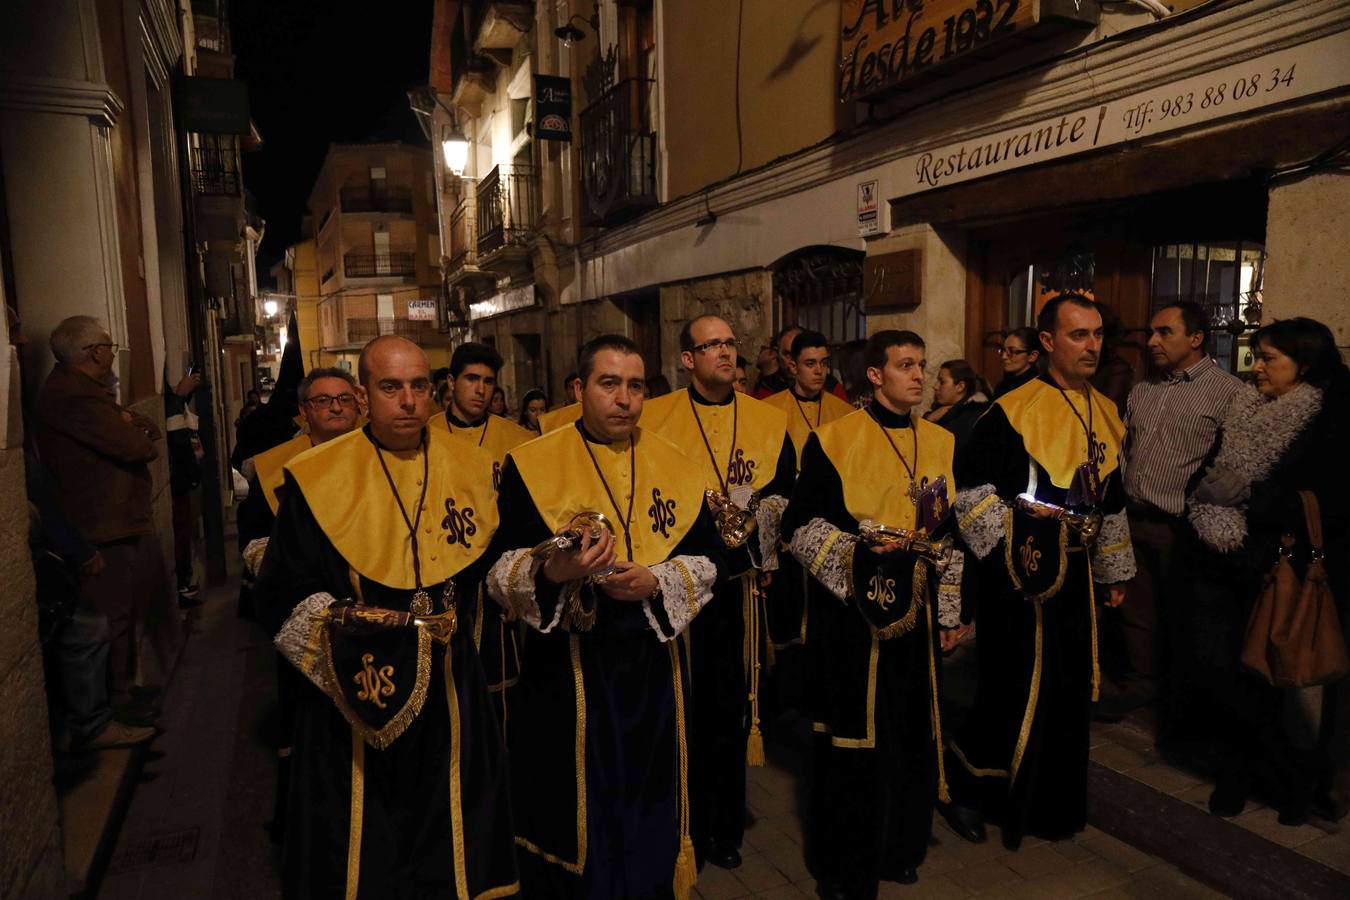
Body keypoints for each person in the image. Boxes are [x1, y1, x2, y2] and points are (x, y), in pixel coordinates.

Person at [256, 336, 518, 898]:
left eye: (419, 386)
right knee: (367, 840)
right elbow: (281, 595)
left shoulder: (472, 470)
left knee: (451, 834)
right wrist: (353, 637)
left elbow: (496, 572)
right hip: (355, 698)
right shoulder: (317, 478)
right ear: (363, 394)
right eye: (390, 387)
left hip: (453, 691)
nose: (408, 401)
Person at [487, 334, 744, 898]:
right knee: (577, 813)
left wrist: (658, 579)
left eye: (635, 386)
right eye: (609, 383)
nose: (624, 399)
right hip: (568, 674)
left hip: (655, 671)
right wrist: (554, 572)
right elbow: (498, 571)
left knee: (650, 804)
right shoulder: (532, 465)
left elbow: (713, 561)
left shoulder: (678, 464)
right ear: (579, 389)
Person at [946, 295, 1135, 850]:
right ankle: (969, 792)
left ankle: (1048, 805)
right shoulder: (1013, 409)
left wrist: (1112, 569)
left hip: (1076, 577)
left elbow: (1112, 498)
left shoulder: (1105, 408)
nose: (1092, 346)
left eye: (1098, 334)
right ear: (1048, 342)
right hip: (1019, 574)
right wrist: (1019, 541)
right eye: (1079, 335)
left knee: (1067, 691)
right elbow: (972, 494)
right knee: (1010, 688)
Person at [783, 330, 966, 897]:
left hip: (918, 606)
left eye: (922, 365)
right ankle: (844, 866)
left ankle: (899, 846)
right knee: (857, 741)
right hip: (854, 618)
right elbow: (799, 527)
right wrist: (859, 555)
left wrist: (951, 611)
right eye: (905, 365)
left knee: (910, 734)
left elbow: (949, 528)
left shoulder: (939, 439)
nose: (917, 375)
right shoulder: (835, 439)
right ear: (874, 375)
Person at [641, 315, 795, 870]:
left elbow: (784, 493)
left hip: (738, 586)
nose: (725, 353)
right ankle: (679, 818)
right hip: (675, 587)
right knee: (681, 707)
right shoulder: (655, 419)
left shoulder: (766, 419)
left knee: (729, 710)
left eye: (731, 344)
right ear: (688, 359)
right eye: (712, 345)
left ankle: (723, 827)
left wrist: (758, 523)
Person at [1186, 317, 1350, 825]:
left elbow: (1332, 502)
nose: (1255, 368)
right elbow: (1212, 467)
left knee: (1280, 683)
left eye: (1268, 359)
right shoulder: (1245, 407)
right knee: (1229, 677)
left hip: (1282, 571)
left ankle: (1294, 785)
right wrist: (1208, 487)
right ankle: (1239, 774)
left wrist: (1252, 496)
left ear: (1304, 365)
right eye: (1255, 356)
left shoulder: (1329, 417)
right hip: (1223, 564)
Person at [237, 366, 361, 842]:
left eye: (344, 400)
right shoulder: (274, 468)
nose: (335, 408)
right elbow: (253, 540)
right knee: (313, 719)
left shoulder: (376, 458)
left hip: (365, 605)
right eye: (324, 401)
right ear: (304, 412)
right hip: (307, 607)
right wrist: (292, 558)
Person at [38, 316, 179, 725]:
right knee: (112, 617)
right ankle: (118, 704)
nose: (111, 353)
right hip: (102, 524)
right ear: (93, 353)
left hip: (112, 520)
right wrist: (130, 428)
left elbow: (142, 428)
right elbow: (138, 446)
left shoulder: (85, 391)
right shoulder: (74, 397)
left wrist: (131, 424)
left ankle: (124, 694)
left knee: (121, 613)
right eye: (108, 346)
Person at [1113, 303, 1243, 727]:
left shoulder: (1228, 393)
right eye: (1151, 332)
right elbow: (1125, 449)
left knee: (1185, 616)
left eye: (1164, 332)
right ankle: (1141, 686)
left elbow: (1234, 467)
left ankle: (1184, 703)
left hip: (1181, 527)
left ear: (1196, 338)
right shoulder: (1143, 389)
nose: (1152, 341)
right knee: (1137, 612)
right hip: (1133, 520)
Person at [430, 343, 537, 725]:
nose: (480, 389)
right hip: (439, 576)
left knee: (499, 694)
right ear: (451, 382)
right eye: (471, 379)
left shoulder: (519, 441)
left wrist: (517, 585)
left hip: (495, 578)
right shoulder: (424, 436)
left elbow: (526, 519)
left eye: (488, 381)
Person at [762, 329, 855, 650]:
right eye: (810, 363)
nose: (819, 371)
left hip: (828, 520)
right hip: (787, 518)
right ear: (792, 365)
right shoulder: (770, 411)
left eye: (824, 363)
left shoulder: (845, 413)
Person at [165, 369, 204, 606]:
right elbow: (176, 435)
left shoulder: (175, 401)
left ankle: (184, 581)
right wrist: (180, 395)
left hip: (184, 477)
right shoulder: (172, 403)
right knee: (181, 529)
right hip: (180, 478)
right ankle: (182, 585)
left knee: (185, 529)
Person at [753, 325, 849, 402]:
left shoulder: (830, 385)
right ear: (777, 353)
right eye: (787, 354)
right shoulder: (767, 387)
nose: (792, 360)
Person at [925, 359, 991, 454]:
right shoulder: (944, 412)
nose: (935, 386)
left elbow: (936, 452)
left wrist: (929, 422)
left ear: (960, 387)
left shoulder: (969, 419)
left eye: (942, 382)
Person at [993, 327, 1041, 398]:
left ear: (1032, 356)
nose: (1004, 356)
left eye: (1011, 351)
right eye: (1003, 350)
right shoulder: (1002, 387)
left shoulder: (1039, 391)